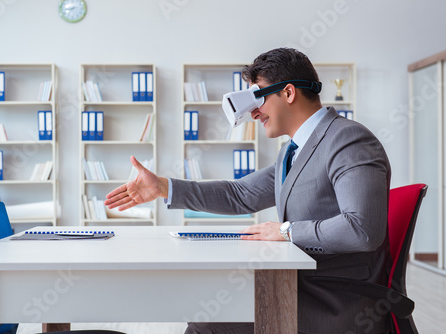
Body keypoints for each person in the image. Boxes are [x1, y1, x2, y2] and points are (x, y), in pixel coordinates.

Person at [104, 47, 392, 334]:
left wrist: (286, 231)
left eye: (259, 98)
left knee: (207, 327)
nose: (254, 112)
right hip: (299, 284)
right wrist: (164, 187)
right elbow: (239, 194)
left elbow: (362, 229)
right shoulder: (292, 152)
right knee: (208, 309)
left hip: (335, 301)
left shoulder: (348, 139)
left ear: (288, 93)